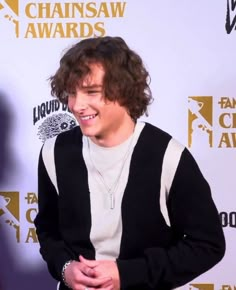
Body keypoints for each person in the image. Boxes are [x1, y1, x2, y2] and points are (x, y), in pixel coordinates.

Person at [34, 36, 225, 290]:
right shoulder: (53, 152)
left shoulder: (169, 156)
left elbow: (207, 244)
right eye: (71, 93)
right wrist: (65, 268)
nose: (77, 105)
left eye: (91, 92)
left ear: (122, 90)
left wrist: (127, 274)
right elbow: (47, 230)